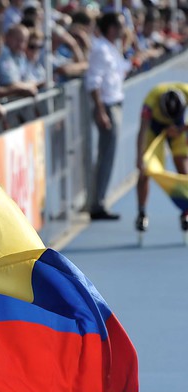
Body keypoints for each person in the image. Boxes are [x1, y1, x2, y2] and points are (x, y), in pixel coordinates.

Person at [84, 11, 131, 220]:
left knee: (108, 156)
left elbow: (117, 73)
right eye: (120, 25)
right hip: (108, 106)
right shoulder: (100, 49)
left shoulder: (110, 48)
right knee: (105, 157)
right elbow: (93, 82)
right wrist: (101, 111)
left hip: (113, 103)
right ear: (111, 28)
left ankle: (99, 201)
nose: (123, 29)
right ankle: (97, 204)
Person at [135, 83, 188, 231]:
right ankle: (141, 212)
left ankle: (186, 211)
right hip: (154, 128)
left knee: (183, 168)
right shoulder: (150, 100)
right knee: (145, 170)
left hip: (178, 126)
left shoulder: (186, 91)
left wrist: (181, 128)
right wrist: (139, 158)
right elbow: (142, 131)